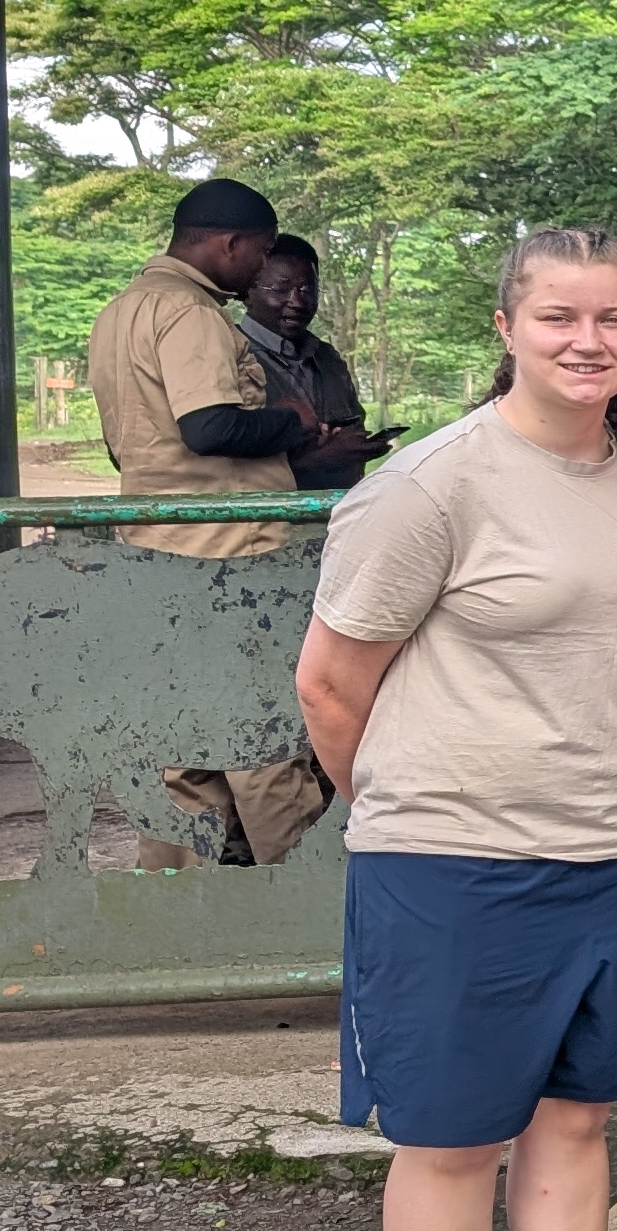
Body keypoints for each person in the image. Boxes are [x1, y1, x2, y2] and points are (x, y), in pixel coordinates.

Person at [292, 230, 617, 1231]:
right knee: (453, 1138)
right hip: (448, 863)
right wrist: (413, 814)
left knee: (576, 1124)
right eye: (561, 316)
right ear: (510, 325)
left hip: (613, 848)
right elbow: (331, 685)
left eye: (615, 318)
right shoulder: (429, 488)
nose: (590, 340)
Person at [86, 176, 368, 867]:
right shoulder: (188, 314)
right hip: (229, 554)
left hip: (158, 548)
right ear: (230, 243)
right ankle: (305, 908)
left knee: (185, 744)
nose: (259, 273)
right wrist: (292, 420)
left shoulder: (120, 311)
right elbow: (208, 426)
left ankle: (184, 914)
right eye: (261, 254)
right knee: (264, 740)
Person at [241, 236, 372, 443]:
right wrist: (318, 459)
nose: (297, 302)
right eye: (281, 289)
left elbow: (355, 426)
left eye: (308, 289)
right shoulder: (229, 354)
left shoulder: (328, 359)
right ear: (247, 291)